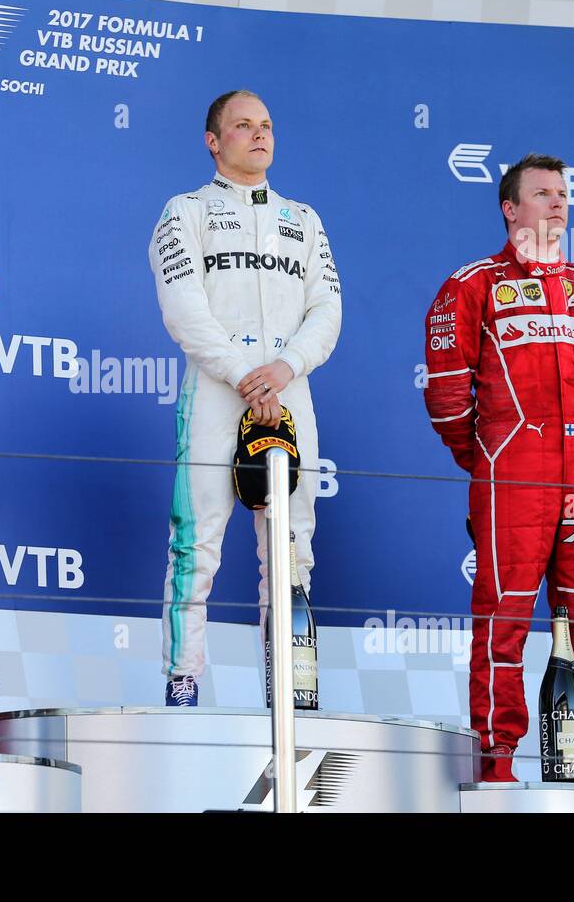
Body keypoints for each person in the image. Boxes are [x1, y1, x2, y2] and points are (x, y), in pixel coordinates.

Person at [422, 153, 574, 788]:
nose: (558, 203)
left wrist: (569, 443)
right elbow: (445, 395)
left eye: (563, 193)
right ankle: (495, 758)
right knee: (504, 616)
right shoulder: (473, 286)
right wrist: (494, 455)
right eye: (542, 193)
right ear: (510, 208)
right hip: (512, 470)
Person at [149, 90, 341, 706]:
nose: (259, 135)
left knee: (291, 548)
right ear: (213, 140)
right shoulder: (184, 212)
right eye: (242, 126)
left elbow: (327, 309)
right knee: (196, 541)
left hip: (290, 391)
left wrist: (284, 368)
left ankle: (288, 688)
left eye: (266, 125)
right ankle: (184, 681)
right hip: (215, 390)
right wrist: (244, 375)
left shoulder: (303, 220)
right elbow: (185, 310)